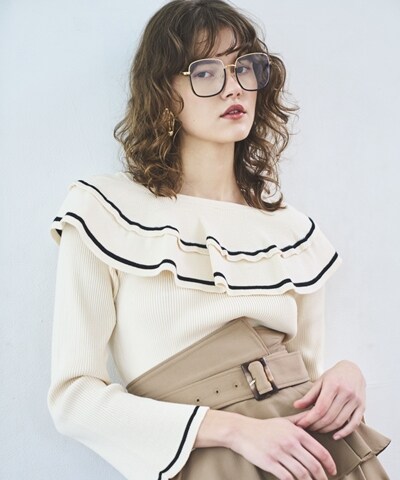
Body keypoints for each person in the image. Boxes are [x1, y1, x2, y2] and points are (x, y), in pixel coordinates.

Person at [47, 1, 390, 479]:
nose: (234, 86)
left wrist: (347, 374)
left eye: (244, 66)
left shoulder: (293, 233)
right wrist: (230, 429)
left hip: (313, 456)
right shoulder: (104, 210)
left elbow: (308, 375)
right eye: (206, 72)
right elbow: (72, 399)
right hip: (214, 461)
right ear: (164, 93)